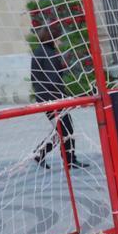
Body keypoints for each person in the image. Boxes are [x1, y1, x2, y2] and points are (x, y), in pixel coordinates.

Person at [30, 21, 84, 170]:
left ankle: (64, 158)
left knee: (65, 129)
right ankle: (50, 156)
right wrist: (68, 98)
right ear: (51, 37)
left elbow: (54, 73)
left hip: (51, 98)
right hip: (51, 99)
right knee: (64, 130)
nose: (59, 40)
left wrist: (65, 61)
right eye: (57, 37)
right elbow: (53, 79)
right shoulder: (45, 52)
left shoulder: (45, 51)